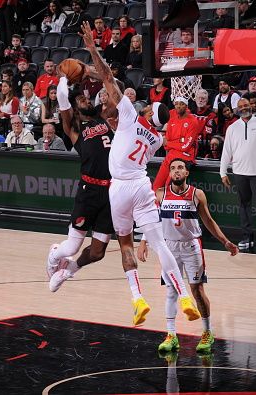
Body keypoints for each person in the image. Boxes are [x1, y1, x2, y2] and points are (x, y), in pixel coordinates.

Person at [81, 21, 200, 325]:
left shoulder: (131, 115)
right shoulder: (158, 137)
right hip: (143, 185)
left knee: (124, 244)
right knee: (159, 243)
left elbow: (109, 78)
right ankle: (184, 294)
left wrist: (94, 50)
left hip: (120, 187)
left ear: (146, 110)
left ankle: (137, 299)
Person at [137, 159, 239, 353]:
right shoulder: (161, 194)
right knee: (171, 291)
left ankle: (207, 332)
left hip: (192, 246)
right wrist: (144, 241)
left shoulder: (197, 194)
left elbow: (208, 221)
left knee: (197, 291)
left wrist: (225, 241)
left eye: (180, 168)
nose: (176, 171)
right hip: (169, 247)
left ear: (186, 173)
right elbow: (152, 220)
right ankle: (171, 335)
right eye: (173, 168)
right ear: (169, 173)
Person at [46, 72, 115, 291]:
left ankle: (68, 271)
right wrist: (65, 78)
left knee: (97, 252)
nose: (87, 100)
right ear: (76, 109)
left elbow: (117, 88)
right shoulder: (74, 129)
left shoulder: (103, 118)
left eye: (87, 98)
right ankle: (54, 256)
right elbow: (63, 100)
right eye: (82, 100)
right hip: (89, 191)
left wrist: (94, 73)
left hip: (112, 192)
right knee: (71, 247)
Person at [220, 98, 256, 251]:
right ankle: (247, 236)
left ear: (251, 106)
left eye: (246, 105)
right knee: (244, 205)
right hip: (239, 172)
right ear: (237, 109)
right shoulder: (232, 128)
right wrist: (222, 172)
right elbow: (226, 151)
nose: (244, 108)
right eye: (241, 106)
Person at [153, 96, 200, 192]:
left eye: (181, 104)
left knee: (170, 188)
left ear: (186, 106)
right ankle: (157, 207)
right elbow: (167, 143)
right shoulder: (172, 118)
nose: (178, 106)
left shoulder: (193, 121)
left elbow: (185, 146)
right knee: (156, 187)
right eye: (176, 104)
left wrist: (172, 143)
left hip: (184, 157)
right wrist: (178, 141)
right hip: (171, 155)